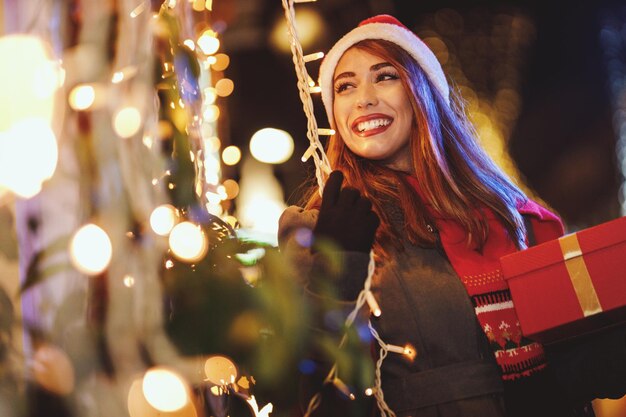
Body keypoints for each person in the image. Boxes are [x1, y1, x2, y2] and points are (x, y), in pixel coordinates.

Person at [278, 14, 626, 417]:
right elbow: (294, 381)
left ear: (422, 92)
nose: (364, 98)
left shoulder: (507, 213)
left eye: (385, 76)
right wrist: (336, 273)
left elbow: (562, 360)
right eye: (345, 86)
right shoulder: (320, 227)